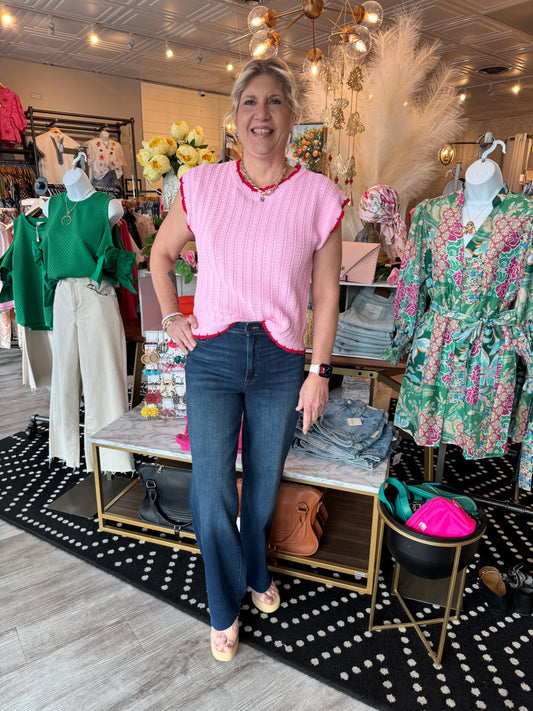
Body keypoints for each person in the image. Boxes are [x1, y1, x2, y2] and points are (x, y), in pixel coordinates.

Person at [150, 57, 348, 662]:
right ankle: (223, 604)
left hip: (282, 358)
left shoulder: (318, 196)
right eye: (250, 103)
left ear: (292, 116)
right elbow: (160, 255)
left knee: (264, 481)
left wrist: (318, 373)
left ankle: (257, 570)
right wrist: (171, 316)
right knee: (212, 486)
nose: (262, 114)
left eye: (274, 102)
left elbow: (326, 295)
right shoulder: (203, 184)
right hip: (212, 353)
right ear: (234, 116)